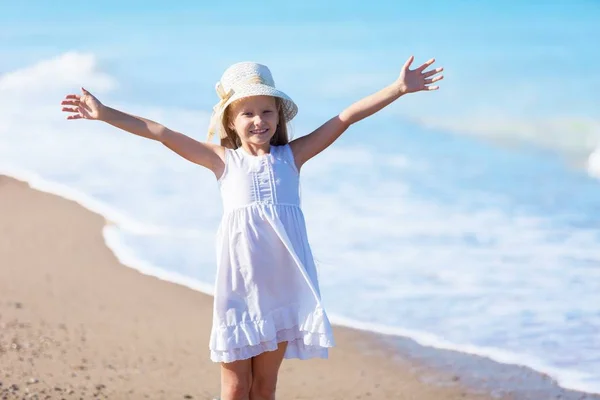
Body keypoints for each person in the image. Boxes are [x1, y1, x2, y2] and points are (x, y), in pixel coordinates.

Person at [60, 56, 443, 400]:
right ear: (230, 120)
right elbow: (160, 131)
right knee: (235, 387)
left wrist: (398, 89)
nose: (259, 120)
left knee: (265, 387)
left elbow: (345, 117)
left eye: (267, 112)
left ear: (279, 118)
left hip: (281, 288)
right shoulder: (223, 161)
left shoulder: (292, 157)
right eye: (247, 114)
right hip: (240, 289)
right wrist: (106, 113)